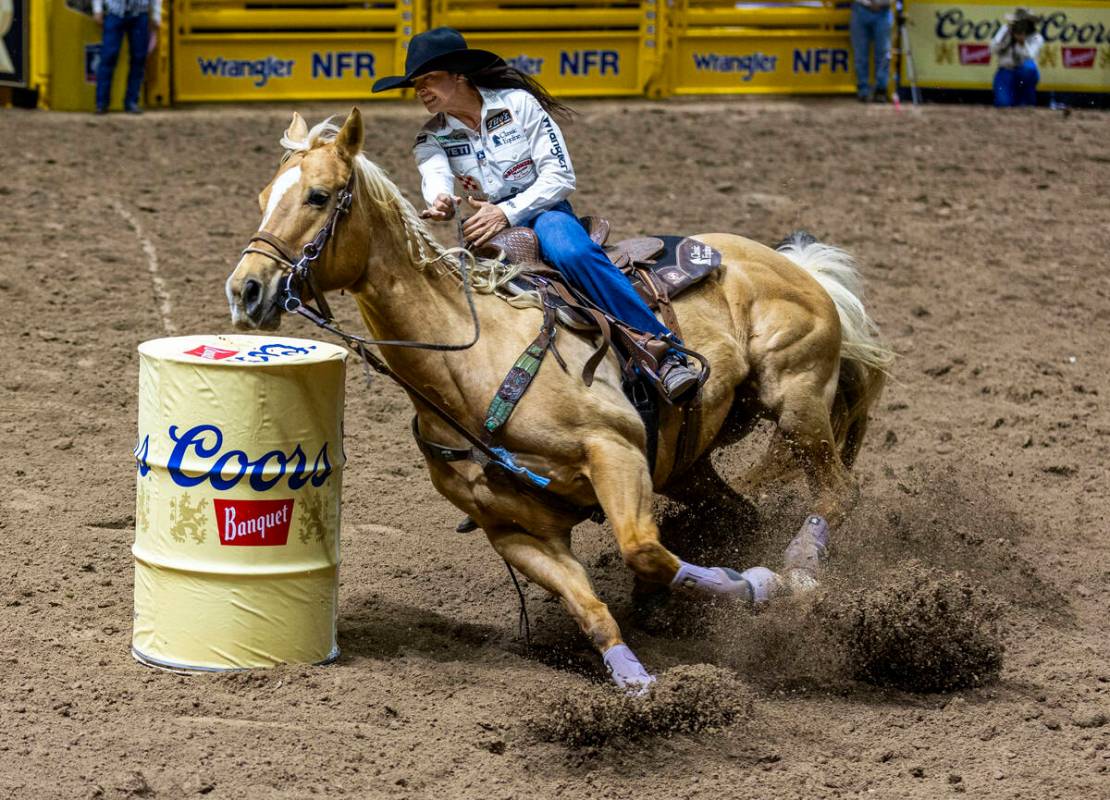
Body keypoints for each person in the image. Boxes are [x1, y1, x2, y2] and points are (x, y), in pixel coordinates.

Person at [371, 27, 700, 404]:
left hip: (544, 211)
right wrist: (442, 200)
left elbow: (560, 177)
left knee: (574, 254)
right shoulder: (430, 138)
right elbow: (435, 176)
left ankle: (663, 351)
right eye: (416, 84)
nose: (421, 90)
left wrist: (506, 213)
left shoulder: (519, 105)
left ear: (458, 75)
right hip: (484, 231)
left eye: (429, 79)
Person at [92, 0, 161, 114]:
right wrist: (97, 9)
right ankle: (101, 103)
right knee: (108, 57)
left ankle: (131, 102)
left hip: (139, 13)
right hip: (115, 12)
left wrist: (156, 14)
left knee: (138, 58)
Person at [991, 8, 1044, 108]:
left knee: (1029, 69)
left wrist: (1022, 43)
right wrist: (1007, 38)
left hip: (1023, 73)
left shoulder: (1036, 38)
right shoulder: (1005, 30)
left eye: (1025, 23)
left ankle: (1025, 101)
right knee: (1003, 104)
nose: (1022, 26)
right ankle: (1011, 100)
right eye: (1019, 22)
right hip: (1005, 71)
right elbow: (992, 49)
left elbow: (1030, 56)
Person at [850, 0, 894, 103]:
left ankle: (880, 89)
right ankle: (863, 90)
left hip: (883, 9)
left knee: (883, 53)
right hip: (861, 8)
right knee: (861, 54)